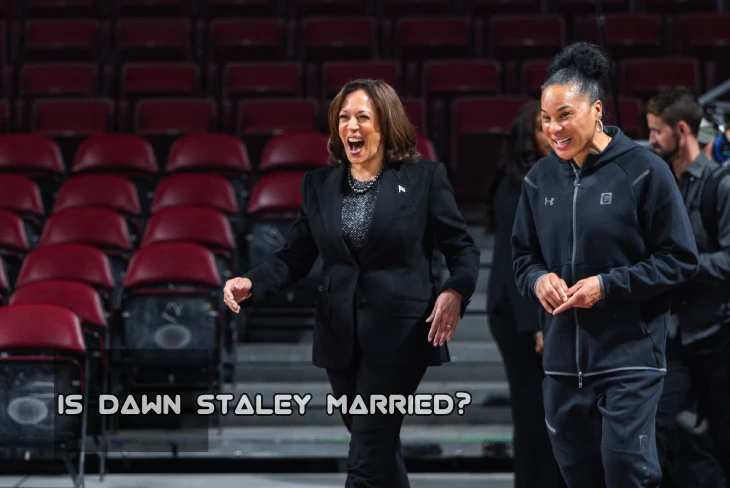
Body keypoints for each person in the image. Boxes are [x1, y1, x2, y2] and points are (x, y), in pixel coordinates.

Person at [223, 79, 480, 488]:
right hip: (338, 334)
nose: (351, 126)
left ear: (386, 124)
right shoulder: (319, 185)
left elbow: (463, 250)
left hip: (402, 332)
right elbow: (295, 256)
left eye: (363, 116)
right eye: (344, 117)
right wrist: (250, 283)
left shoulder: (424, 179)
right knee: (377, 447)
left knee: (366, 454)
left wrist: (454, 291)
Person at [511, 42, 699, 488]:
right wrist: (538, 280)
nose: (553, 128)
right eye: (546, 118)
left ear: (597, 110)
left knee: (626, 475)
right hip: (560, 366)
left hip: (630, 360)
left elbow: (680, 259)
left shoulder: (645, 171)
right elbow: (522, 259)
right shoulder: (539, 180)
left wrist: (607, 285)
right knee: (580, 478)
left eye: (564, 115)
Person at [646, 86, 730, 488]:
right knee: (661, 432)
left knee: (723, 437)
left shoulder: (721, 185)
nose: (650, 140)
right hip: (674, 335)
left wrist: (682, 265)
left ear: (681, 130)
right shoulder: (661, 185)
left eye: (656, 132)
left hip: (718, 334)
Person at [484, 100, 565, 488]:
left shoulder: (550, 178)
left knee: (549, 412)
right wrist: (537, 327)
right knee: (534, 412)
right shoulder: (515, 185)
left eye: (554, 123)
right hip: (520, 315)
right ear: (525, 136)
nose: (551, 132)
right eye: (540, 126)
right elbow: (516, 262)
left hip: (542, 309)